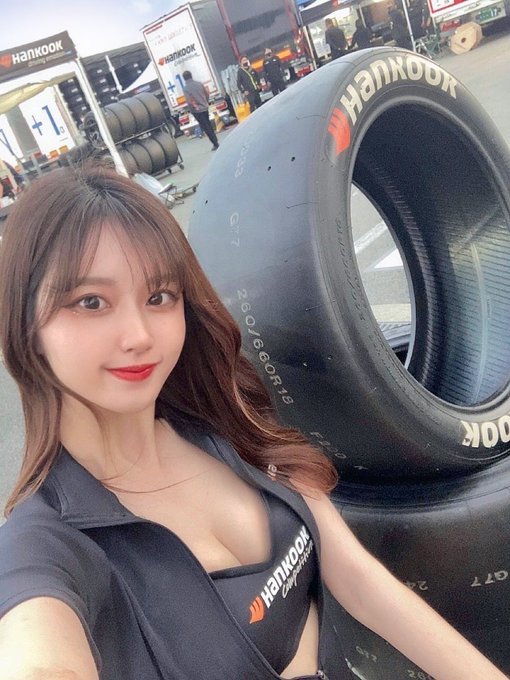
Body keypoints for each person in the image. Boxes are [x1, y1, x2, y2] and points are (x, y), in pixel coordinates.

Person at [0, 163, 508, 680]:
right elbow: (38, 658)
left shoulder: (225, 419)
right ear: (26, 323)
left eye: (159, 297)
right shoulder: (44, 545)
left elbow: (359, 580)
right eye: (91, 302)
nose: (138, 335)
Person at [181, 70, 219, 150]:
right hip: (204, 107)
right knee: (208, 124)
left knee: (205, 127)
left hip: (197, 110)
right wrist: (206, 102)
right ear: (191, 75)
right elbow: (207, 93)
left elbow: (189, 101)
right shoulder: (199, 84)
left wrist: (192, 109)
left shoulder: (186, 88)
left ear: (184, 78)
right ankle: (215, 139)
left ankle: (215, 143)